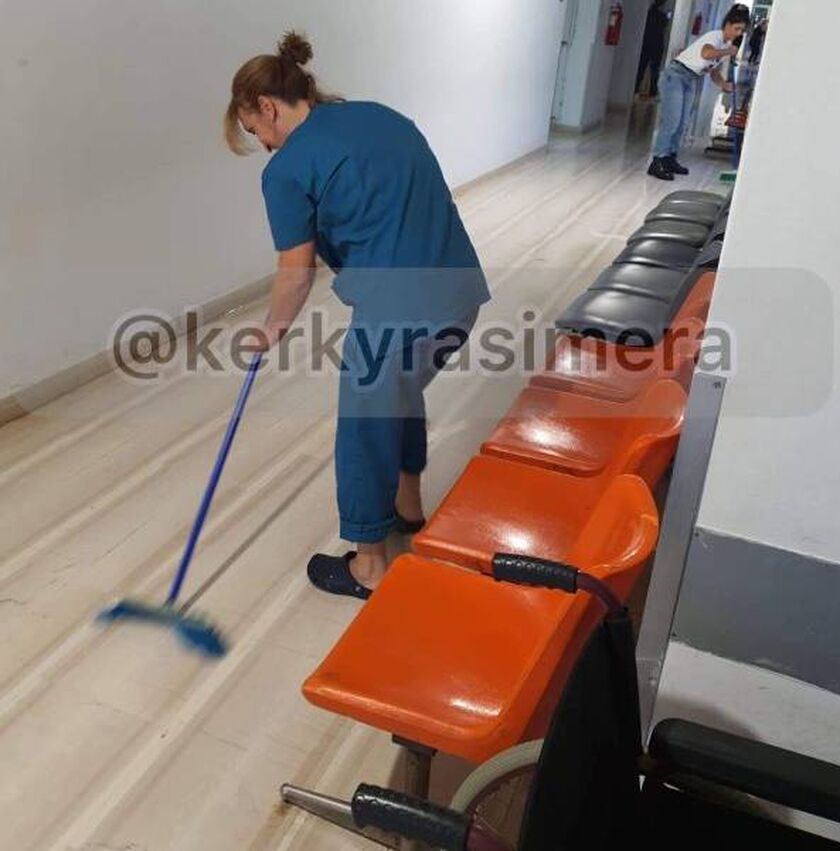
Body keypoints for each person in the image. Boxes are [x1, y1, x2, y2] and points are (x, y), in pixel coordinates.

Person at [224, 33, 490, 599]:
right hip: (461, 295)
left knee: (363, 424)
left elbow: (296, 273)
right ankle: (408, 509)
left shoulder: (287, 170)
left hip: (399, 311)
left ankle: (369, 567)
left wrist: (269, 331)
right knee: (400, 392)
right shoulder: (380, 117)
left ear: (267, 107)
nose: (263, 144)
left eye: (254, 131)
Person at [647, 4, 750, 180]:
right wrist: (728, 51)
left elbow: (713, 70)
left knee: (682, 123)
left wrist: (723, 84)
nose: (738, 33)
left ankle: (670, 157)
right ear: (727, 24)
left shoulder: (724, 44)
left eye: (742, 30)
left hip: (691, 79)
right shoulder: (715, 36)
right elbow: (706, 54)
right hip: (676, 76)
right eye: (737, 28)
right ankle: (657, 161)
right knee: (672, 121)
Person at [635, 0, 670, 98]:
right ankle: (653, 91)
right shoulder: (663, 16)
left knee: (641, 67)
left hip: (646, 43)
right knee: (655, 69)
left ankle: (636, 88)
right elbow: (665, 27)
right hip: (657, 44)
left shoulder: (648, 14)